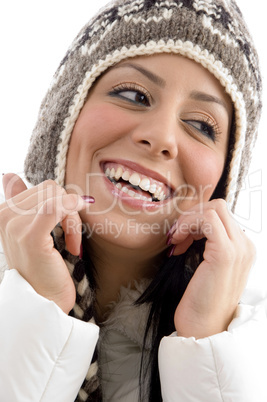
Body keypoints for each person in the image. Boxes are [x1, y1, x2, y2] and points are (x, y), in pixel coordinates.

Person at [0, 0, 266, 401]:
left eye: (200, 125)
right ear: (62, 123)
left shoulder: (248, 353)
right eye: (134, 95)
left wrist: (207, 349)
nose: (160, 137)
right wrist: (37, 312)